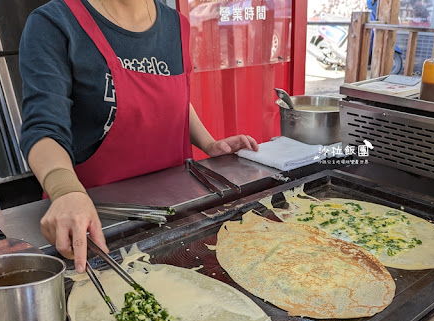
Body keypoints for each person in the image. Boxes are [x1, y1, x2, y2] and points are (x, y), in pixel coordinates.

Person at [19, 0, 259, 273]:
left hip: (178, 219)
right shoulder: (56, 23)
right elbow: (43, 127)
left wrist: (208, 143)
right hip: (96, 225)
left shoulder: (175, 24)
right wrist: (65, 190)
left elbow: (177, 96)